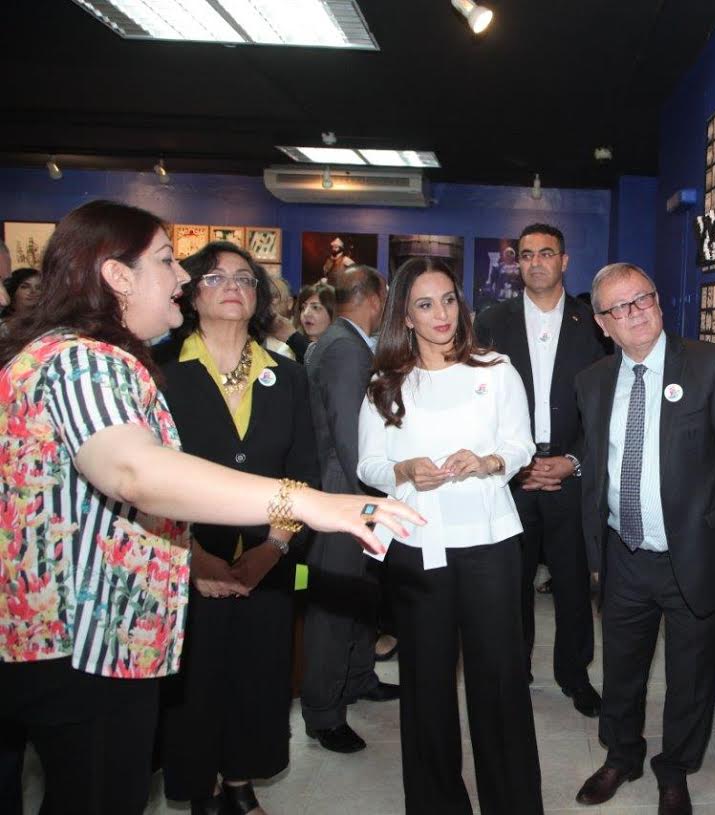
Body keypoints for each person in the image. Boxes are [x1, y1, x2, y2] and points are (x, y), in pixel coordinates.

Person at [0, 200, 421, 815]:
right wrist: (308, 502)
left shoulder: (89, 356)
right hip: (86, 637)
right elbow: (134, 472)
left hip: (96, 634)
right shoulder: (84, 360)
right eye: (166, 261)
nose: (180, 276)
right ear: (117, 276)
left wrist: (275, 541)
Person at [573, 263, 715, 815]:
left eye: (643, 299)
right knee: (621, 668)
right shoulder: (592, 381)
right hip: (624, 554)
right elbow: (597, 467)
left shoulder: (709, 366)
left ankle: (675, 768)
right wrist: (595, 553)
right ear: (603, 323)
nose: (635, 313)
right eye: (619, 307)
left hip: (695, 555)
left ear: (657, 301)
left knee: (691, 675)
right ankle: (621, 756)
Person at [358, 257, 543, 814]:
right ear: (405, 317)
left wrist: (488, 461)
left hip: (490, 543)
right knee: (426, 685)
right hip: (419, 549)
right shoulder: (386, 383)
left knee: (500, 680)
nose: (441, 314)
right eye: (425, 304)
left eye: (448, 300)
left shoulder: (496, 370)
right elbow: (368, 463)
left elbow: (521, 445)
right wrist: (403, 470)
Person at [154, 241, 318, 815]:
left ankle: (241, 779)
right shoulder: (161, 373)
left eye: (245, 279)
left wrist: (274, 547)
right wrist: (192, 554)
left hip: (268, 557)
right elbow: (148, 475)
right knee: (195, 680)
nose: (232, 287)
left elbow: (302, 470)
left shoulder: (288, 376)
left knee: (259, 672)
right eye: (216, 277)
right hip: (187, 555)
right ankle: (201, 787)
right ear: (190, 294)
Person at [474, 223, 605, 715]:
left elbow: (606, 405)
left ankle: (575, 675)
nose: (535, 262)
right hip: (513, 476)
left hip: (571, 472)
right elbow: (478, 404)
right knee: (511, 583)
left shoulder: (593, 323)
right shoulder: (492, 322)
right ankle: (515, 671)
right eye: (526, 255)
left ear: (564, 261)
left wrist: (573, 460)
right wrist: (515, 461)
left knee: (573, 583)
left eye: (545, 253)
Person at [301, 265, 398, 754]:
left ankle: (359, 678)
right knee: (333, 610)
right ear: (375, 297)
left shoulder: (344, 341)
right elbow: (348, 434)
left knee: (360, 597)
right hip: (345, 496)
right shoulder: (344, 348)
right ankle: (323, 713)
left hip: (353, 495)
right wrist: (373, 494)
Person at [266, 274, 306, 360]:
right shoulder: (251, 337)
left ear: (289, 303)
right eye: (265, 296)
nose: (268, 301)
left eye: (274, 296)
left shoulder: (304, 336)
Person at [296, 281, 335, 360]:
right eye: (303, 308)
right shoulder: (289, 351)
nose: (306, 313)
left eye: (315, 307)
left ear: (333, 313)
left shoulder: (344, 352)